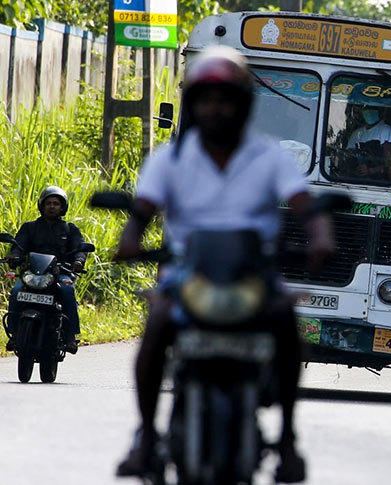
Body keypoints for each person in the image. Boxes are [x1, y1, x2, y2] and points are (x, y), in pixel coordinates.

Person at [114, 46, 334, 483]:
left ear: (242, 104)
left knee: (287, 325)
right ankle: (145, 435)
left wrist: (322, 235)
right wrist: (130, 236)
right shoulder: (171, 157)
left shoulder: (267, 155)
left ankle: (288, 438)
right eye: (207, 99)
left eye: (225, 99)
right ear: (194, 105)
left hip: (253, 274)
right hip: (187, 272)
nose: (216, 108)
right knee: (157, 323)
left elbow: (305, 203)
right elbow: (143, 207)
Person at [5, 186, 85, 354]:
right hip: (32, 274)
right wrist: (14, 256)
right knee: (16, 290)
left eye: (56, 203)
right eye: (48, 203)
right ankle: (14, 334)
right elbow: (19, 246)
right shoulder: (29, 228)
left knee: (67, 290)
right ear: (41, 206)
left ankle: (70, 337)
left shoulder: (70, 230)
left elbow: (79, 249)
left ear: (62, 207)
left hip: (60, 273)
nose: (52, 206)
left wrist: (78, 261)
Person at [345, 104, 391, 177]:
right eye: (366, 110)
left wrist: (372, 170)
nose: (368, 112)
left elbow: (390, 161)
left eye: (372, 109)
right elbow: (349, 154)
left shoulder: (386, 130)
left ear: (379, 112)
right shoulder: (357, 133)